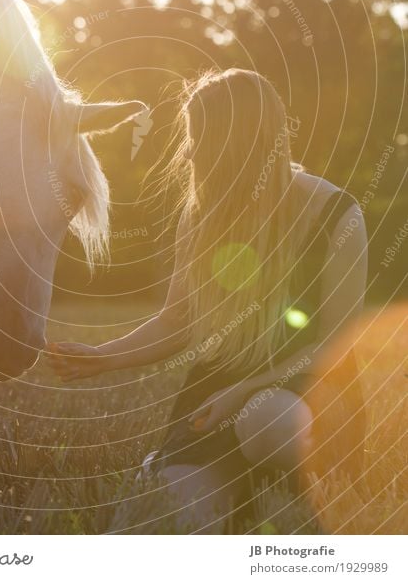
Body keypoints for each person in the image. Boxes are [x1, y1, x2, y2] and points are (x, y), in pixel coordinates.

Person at [48, 68, 368, 533]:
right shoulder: (200, 216)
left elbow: (335, 350)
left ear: (247, 142)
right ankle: (236, 491)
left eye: (206, 141)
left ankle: (303, 491)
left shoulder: (338, 214)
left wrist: (241, 394)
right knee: (175, 519)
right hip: (212, 397)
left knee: (266, 421)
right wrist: (103, 357)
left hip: (306, 395)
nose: (193, 153)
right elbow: (178, 321)